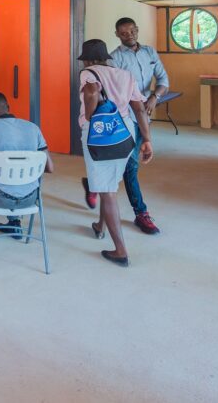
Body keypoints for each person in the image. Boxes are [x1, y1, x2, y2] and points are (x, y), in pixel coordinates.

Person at [78, 39, 154, 267]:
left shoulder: (88, 73)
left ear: (88, 60)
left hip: (100, 133)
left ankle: (120, 251)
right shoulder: (126, 75)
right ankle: (100, 226)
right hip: (125, 132)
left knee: (107, 190)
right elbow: (139, 109)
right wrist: (147, 140)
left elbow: (91, 92)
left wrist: (90, 115)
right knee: (109, 183)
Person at [92, 16, 169, 235]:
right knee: (130, 167)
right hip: (125, 118)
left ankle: (94, 184)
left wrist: (154, 97)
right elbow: (114, 92)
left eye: (132, 31)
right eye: (124, 33)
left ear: (137, 30)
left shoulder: (149, 52)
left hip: (144, 115)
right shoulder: (115, 59)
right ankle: (141, 213)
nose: (130, 36)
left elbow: (163, 80)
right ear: (117, 35)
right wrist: (136, 102)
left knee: (122, 165)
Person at [0, 92, 54, 243]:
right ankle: (15, 224)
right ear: (8, 107)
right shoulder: (33, 128)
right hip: (30, 198)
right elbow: (50, 168)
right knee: (16, 177)